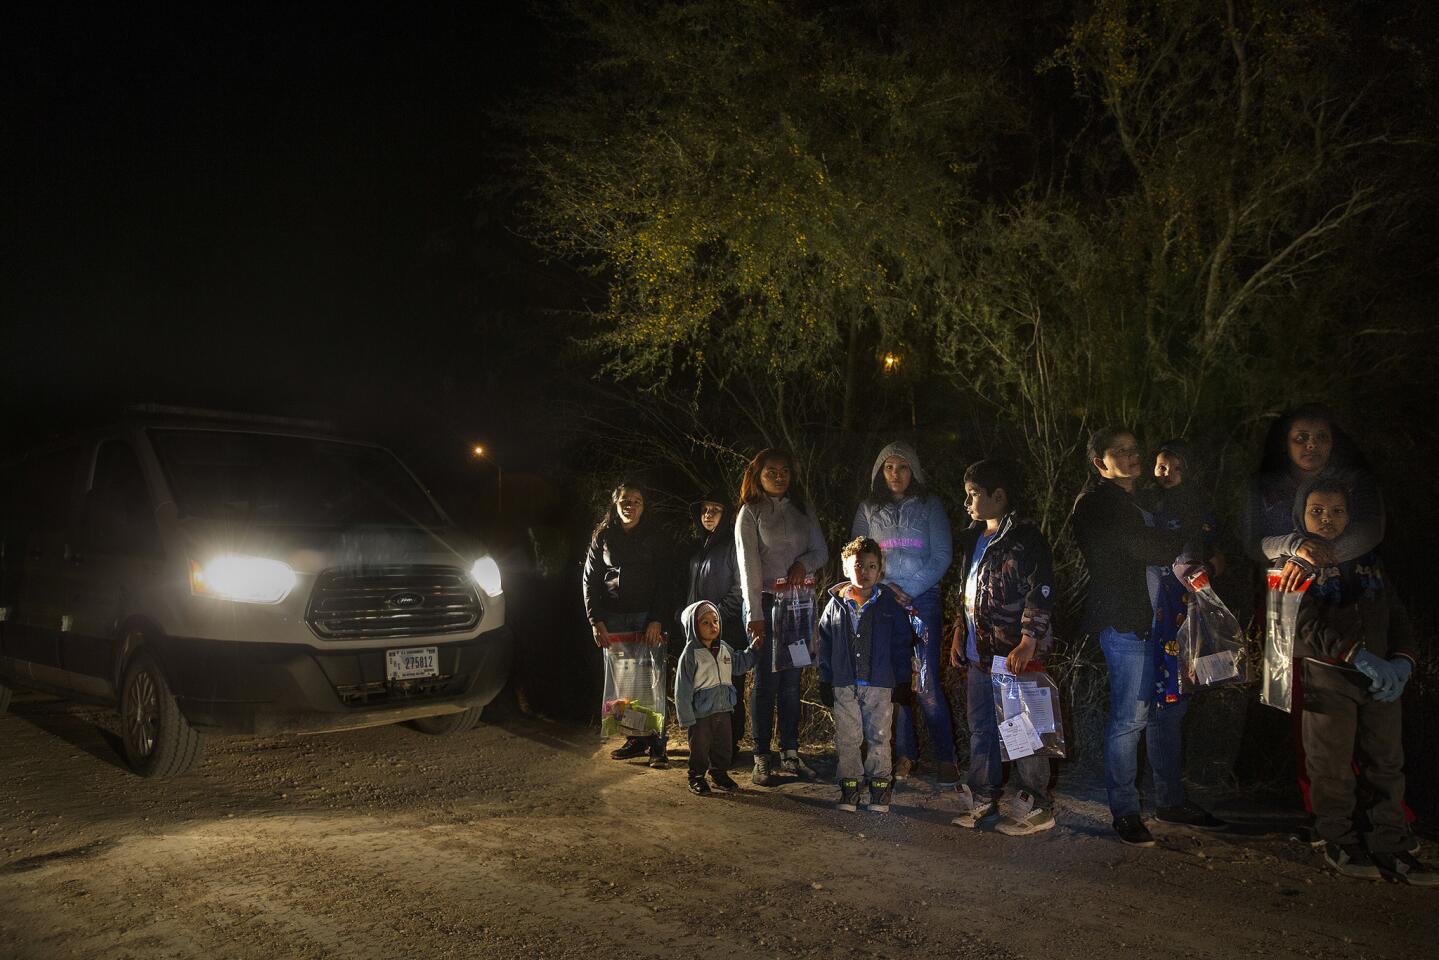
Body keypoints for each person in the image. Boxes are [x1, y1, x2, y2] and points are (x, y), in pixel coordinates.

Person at [1070, 427, 1225, 846]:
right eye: (1118, 451)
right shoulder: (1096, 504)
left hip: (1163, 623)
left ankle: (1171, 801)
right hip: (1128, 623)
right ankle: (1125, 810)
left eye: (1133, 449)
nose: (1130, 456)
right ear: (1100, 462)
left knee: (1168, 711)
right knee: (1130, 717)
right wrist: (1190, 535)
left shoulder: (1140, 501)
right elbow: (1145, 547)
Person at [1289, 479, 1432, 884]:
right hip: (1328, 674)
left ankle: (1391, 841)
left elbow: (1397, 614)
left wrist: (1403, 660)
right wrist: (1354, 653)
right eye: (1317, 511)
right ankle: (1338, 837)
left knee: (1387, 761)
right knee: (1330, 764)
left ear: (1351, 516)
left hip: (1381, 678)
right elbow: (1302, 623)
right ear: (1301, 515)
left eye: (1337, 511)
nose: (1327, 520)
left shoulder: (1370, 559)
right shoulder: (1298, 562)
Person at [947, 459, 1057, 836]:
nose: (968, 503)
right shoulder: (973, 538)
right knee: (981, 727)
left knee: (1022, 727)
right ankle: (983, 799)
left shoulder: (1025, 538)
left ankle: (1036, 805)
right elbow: (967, 590)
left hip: (1013, 654)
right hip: (981, 653)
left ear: (999, 495)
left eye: (974, 495)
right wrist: (960, 630)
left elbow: (1039, 590)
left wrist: (1029, 641)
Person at [851, 442, 957, 785]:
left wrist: (907, 589)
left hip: (921, 600)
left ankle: (946, 757)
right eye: (889, 468)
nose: (896, 474)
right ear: (880, 472)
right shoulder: (868, 509)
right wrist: (878, 590)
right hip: (881, 603)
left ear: (914, 471)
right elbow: (856, 556)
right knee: (896, 683)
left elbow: (941, 556)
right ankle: (905, 756)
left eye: (903, 467)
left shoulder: (930, 506)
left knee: (924, 683)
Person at [735, 448, 829, 786]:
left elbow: (821, 551)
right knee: (766, 683)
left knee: (791, 684)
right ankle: (761, 758)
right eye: (771, 471)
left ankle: (790, 753)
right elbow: (748, 568)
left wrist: (803, 564)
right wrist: (754, 616)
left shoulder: (804, 509)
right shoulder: (750, 512)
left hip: (799, 606)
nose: (779, 476)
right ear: (758, 475)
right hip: (766, 605)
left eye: (784, 470)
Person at [816, 537, 917, 813]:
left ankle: (879, 790)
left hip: (880, 684)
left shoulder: (890, 606)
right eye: (859, 565)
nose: (865, 572)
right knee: (847, 737)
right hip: (844, 683)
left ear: (880, 570)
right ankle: (849, 789)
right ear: (847, 568)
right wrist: (824, 678)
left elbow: (901, 644)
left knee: (879, 736)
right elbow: (824, 645)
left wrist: (903, 680)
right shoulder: (834, 606)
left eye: (872, 566)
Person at [1243, 405, 1384, 591]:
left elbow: (1371, 530)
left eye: (1321, 437)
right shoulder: (1263, 486)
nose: (1311, 444)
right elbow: (1253, 544)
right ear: (1285, 443)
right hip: (1284, 588)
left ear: (1332, 442)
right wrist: (1295, 546)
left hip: (1350, 587)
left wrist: (1310, 559)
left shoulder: (1355, 481)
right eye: (1301, 438)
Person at [583, 480, 672, 768]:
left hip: (647, 619)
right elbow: (589, 580)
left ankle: (657, 745)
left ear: (644, 507)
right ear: (615, 503)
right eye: (625, 500)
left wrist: (657, 618)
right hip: (615, 620)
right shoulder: (603, 537)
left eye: (637, 500)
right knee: (625, 686)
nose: (630, 505)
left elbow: (665, 580)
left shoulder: (655, 537)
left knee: (651, 683)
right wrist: (596, 620)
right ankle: (635, 739)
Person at [1144, 440, 1223, 708]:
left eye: (1177, 468)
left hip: (1187, 589)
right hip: (1157, 588)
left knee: (1187, 645)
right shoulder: (1146, 501)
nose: (1168, 473)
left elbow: (1212, 548)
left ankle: (1186, 686)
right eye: (1162, 467)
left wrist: (1206, 566)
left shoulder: (1197, 504)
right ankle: (1166, 692)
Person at [682, 494, 747, 759]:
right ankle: (707, 746)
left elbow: (740, 588)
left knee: (728, 690)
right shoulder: (698, 548)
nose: (708, 514)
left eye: (715, 509)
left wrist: (714, 618)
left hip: (727, 632)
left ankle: (728, 747)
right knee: (703, 689)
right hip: (699, 636)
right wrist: (686, 617)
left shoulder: (733, 545)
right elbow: (691, 591)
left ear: (726, 514)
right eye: (705, 509)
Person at [674, 600, 762, 795]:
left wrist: (753, 650)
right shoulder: (690, 654)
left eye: (715, 621)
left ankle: (719, 774)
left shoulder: (724, 648)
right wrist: (686, 717)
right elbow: (682, 688)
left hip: (724, 708)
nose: (712, 626)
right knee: (700, 747)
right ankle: (696, 776)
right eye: (705, 622)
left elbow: (738, 665)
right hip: (701, 714)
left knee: (724, 745)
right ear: (693, 626)